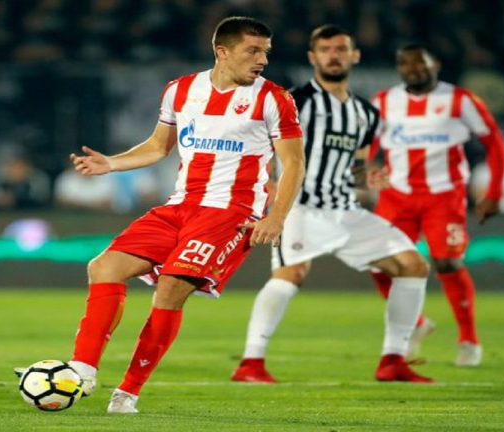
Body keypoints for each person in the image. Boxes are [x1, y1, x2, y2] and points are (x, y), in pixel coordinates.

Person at [18, 17, 305, 414]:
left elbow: (294, 163)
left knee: (170, 287)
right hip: (180, 205)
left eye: (265, 53)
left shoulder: (274, 99)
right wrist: (111, 163)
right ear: (222, 51)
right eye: (253, 51)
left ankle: (127, 393)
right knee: (104, 267)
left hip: (230, 212)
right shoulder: (180, 90)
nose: (262, 60)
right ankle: (83, 369)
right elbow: (157, 147)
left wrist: (276, 216)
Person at [230, 25, 433, 385]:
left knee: (412, 265)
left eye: (340, 49)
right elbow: (258, 144)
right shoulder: (294, 101)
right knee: (291, 274)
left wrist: (368, 178)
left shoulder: (365, 113)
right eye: (325, 50)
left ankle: (393, 361)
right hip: (300, 206)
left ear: (355, 56)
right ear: (313, 58)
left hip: (345, 209)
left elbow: (356, 167)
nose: (333, 55)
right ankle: (251, 363)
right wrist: (266, 183)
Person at [368, 43, 504, 367]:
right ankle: (417, 325)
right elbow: (369, 144)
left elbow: (494, 143)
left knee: (447, 264)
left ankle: (469, 340)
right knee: (377, 263)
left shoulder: (460, 100)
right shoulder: (384, 101)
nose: (413, 69)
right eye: (405, 64)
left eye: (420, 63)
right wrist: (366, 168)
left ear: (436, 65)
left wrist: (493, 192)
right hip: (396, 195)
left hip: (444, 195)